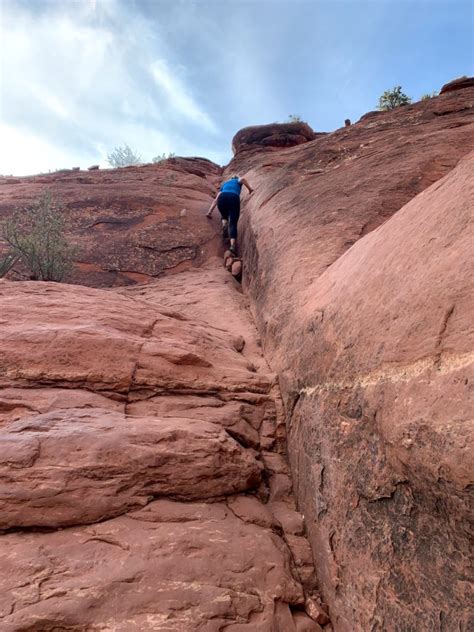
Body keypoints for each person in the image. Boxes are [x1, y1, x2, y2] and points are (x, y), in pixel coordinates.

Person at [206, 175, 253, 255]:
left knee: (224, 215)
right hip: (233, 197)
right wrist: (250, 189)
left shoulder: (225, 184)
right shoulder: (237, 181)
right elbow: (243, 179)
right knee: (233, 223)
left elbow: (216, 199)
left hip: (222, 198)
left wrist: (209, 212)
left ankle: (224, 225)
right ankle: (232, 246)